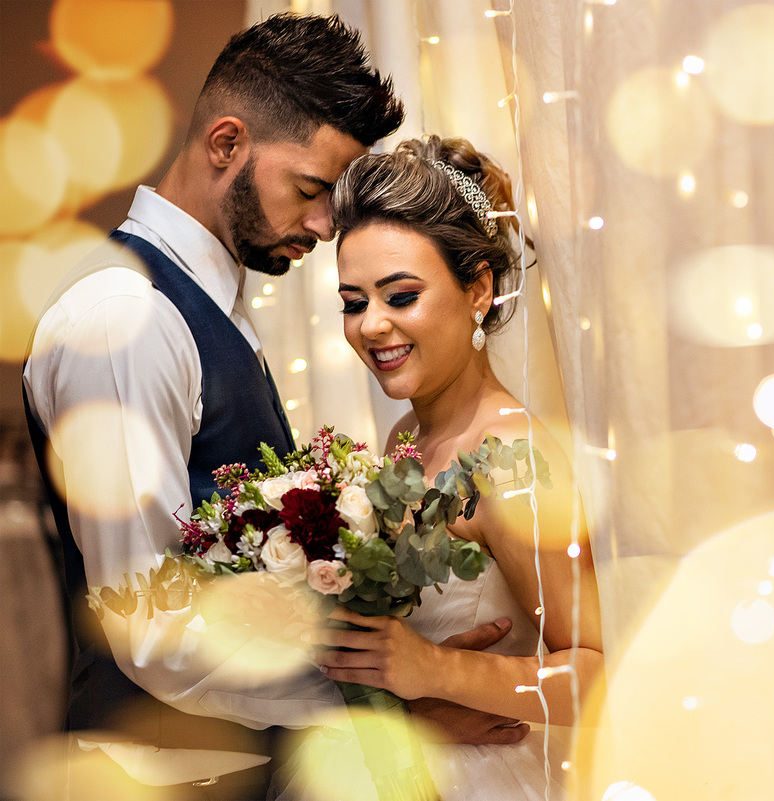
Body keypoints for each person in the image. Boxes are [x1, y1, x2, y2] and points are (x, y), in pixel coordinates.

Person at [23, 14, 527, 797]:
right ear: (227, 143)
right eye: (312, 190)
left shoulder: (210, 307)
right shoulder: (127, 317)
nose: (327, 227)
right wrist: (389, 702)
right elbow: (150, 625)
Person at [317, 135, 605, 800]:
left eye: (400, 295)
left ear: (477, 288)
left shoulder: (512, 457)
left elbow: (596, 673)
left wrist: (434, 669)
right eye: (354, 302)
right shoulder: (403, 438)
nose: (372, 326)